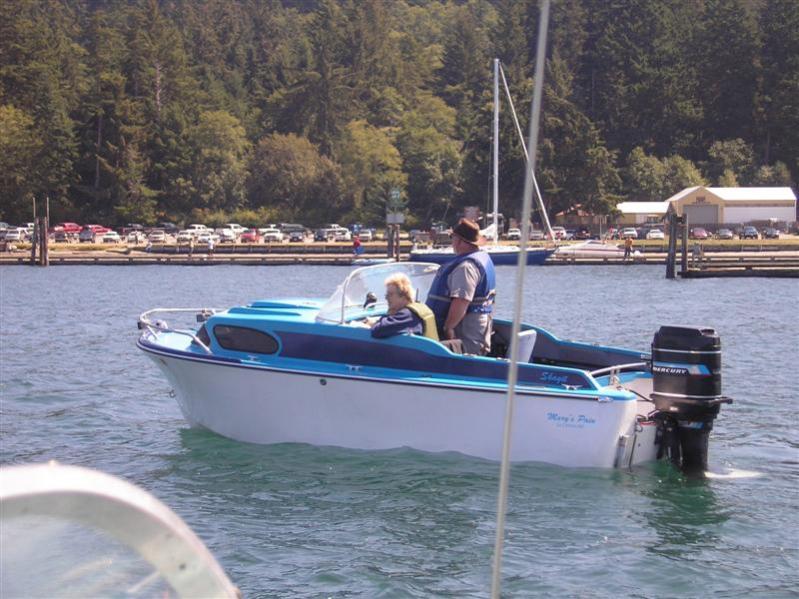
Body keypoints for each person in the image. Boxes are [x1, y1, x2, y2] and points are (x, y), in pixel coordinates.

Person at [426, 218, 496, 355]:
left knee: (426, 349)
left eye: (452, 237)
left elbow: (461, 302)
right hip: (478, 329)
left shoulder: (466, 267)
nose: (452, 242)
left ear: (459, 241)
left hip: (467, 336)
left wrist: (448, 328)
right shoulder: (479, 259)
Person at [371, 273, 438, 340]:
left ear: (403, 296)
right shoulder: (417, 308)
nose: (386, 298)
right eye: (386, 295)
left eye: (390, 294)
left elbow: (378, 330)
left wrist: (372, 323)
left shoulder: (407, 315)